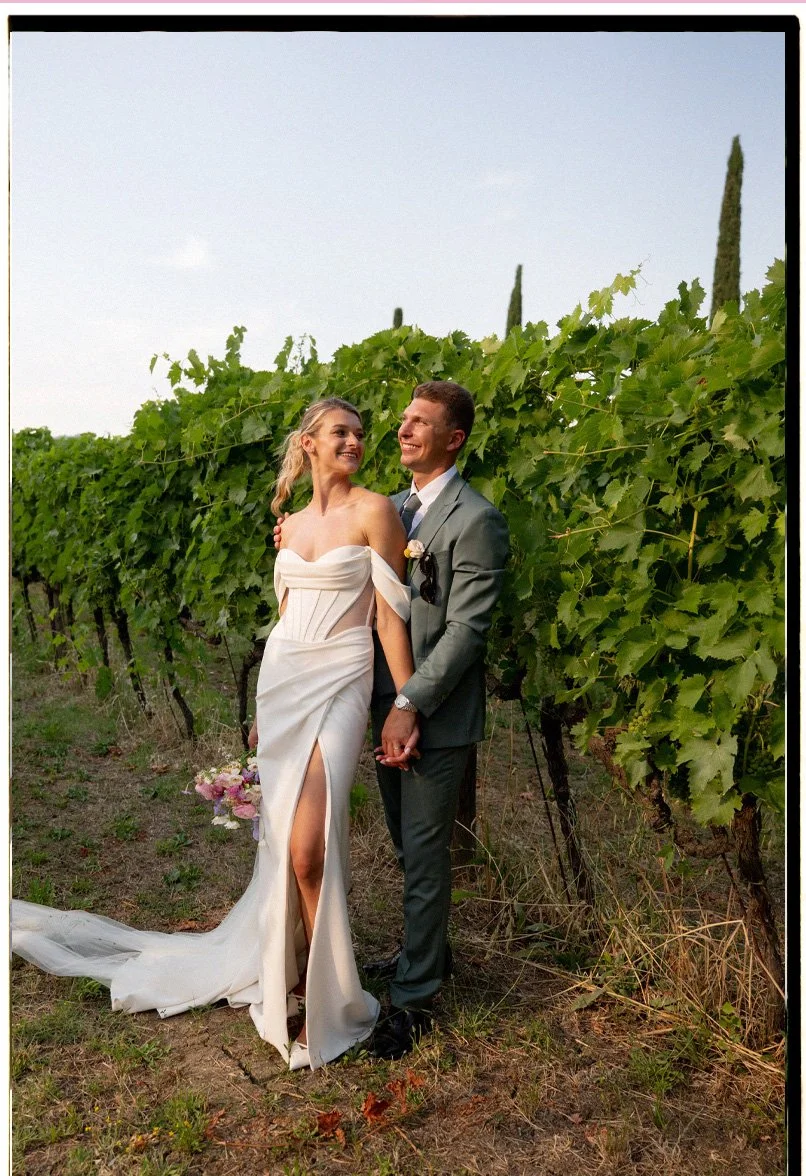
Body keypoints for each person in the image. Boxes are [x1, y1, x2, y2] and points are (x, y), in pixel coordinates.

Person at [11, 398, 416, 1072]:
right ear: (309, 443)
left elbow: (389, 618)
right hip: (284, 683)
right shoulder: (290, 526)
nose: (355, 442)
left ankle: (332, 1000)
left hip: (341, 682)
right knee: (286, 846)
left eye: (360, 434)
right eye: (340, 432)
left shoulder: (376, 511)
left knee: (310, 849)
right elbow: (286, 617)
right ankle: (296, 976)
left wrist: (404, 701)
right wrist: (264, 705)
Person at [275, 381, 509, 1060]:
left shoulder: (476, 519)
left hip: (433, 713)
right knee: (410, 851)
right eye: (403, 420)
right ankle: (425, 958)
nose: (402, 431)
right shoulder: (392, 508)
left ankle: (412, 1002)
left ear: (454, 440)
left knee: (427, 857)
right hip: (380, 705)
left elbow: (466, 631)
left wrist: (410, 705)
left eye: (420, 423)